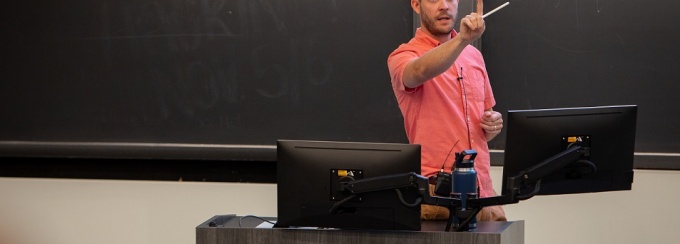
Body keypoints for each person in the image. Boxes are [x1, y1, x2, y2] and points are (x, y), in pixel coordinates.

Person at [387, 0, 507, 221]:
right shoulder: (403, 55)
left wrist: (492, 124)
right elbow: (419, 71)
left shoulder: (474, 56)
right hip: (437, 198)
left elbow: (484, 123)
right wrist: (462, 39)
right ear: (416, 5)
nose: (444, 5)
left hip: (483, 193)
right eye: (433, 0)